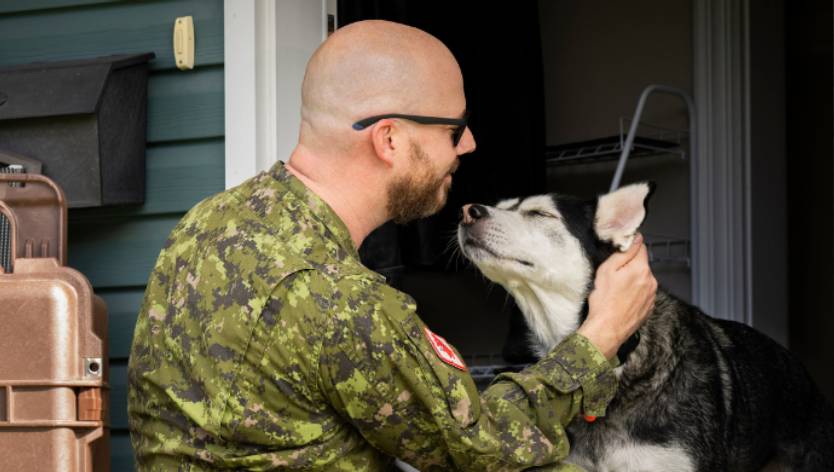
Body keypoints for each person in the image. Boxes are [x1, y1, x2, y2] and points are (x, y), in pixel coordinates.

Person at [127, 19, 657, 471]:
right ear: (389, 139)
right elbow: (484, 447)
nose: (469, 144)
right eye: (454, 129)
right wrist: (601, 335)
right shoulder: (342, 302)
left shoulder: (208, 222)